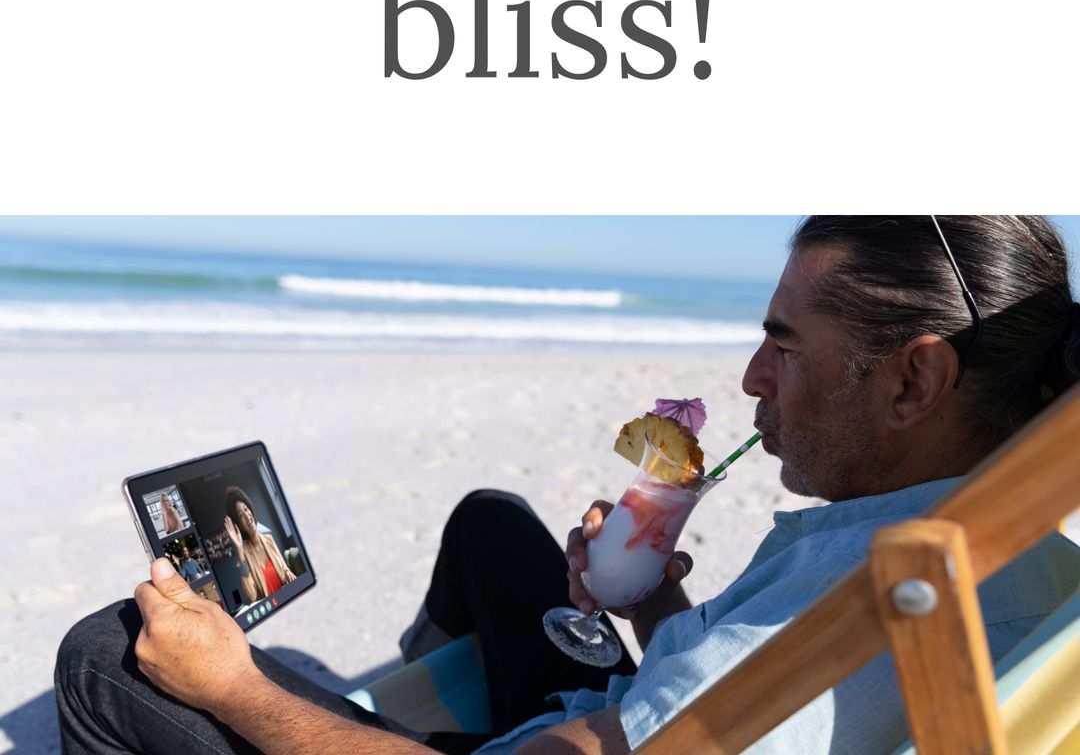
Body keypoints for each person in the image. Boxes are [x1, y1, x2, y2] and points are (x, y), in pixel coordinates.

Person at [55, 216, 1080, 754]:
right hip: (633, 719)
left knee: (107, 655)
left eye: (786, 347)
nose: (752, 379)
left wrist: (233, 688)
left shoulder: (868, 594)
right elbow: (742, 702)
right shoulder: (1008, 535)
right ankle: (416, 695)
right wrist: (662, 609)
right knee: (496, 528)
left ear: (916, 380)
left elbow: (756, 686)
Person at [223, 485, 297, 604]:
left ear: (251, 510)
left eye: (246, 509)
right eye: (241, 515)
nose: (247, 516)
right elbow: (251, 597)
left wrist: (288, 574)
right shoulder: (244, 554)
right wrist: (239, 549)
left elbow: (284, 569)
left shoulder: (269, 539)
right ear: (239, 525)